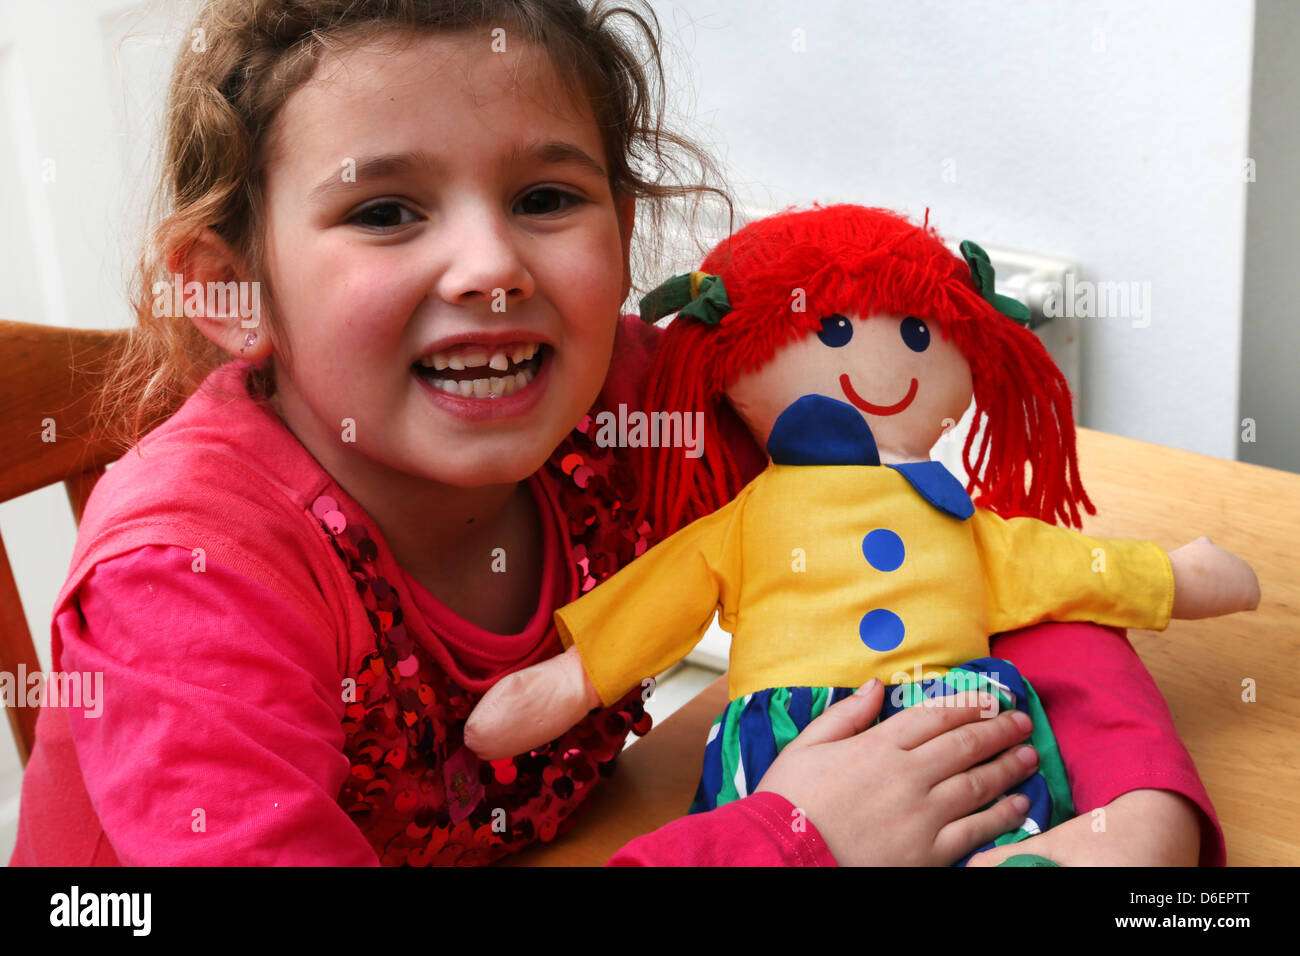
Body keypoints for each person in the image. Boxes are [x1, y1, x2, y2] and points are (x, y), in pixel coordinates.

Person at [9, 0, 1218, 867]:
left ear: (623, 227)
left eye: (546, 197)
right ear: (227, 287)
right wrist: (789, 838)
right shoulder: (188, 584)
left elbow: (971, 563)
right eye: (385, 210)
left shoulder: (647, 414)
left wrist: (1138, 805)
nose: (490, 266)